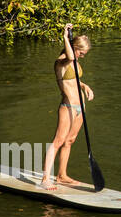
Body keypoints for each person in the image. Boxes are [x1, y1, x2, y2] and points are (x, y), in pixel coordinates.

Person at [40, 25, 93, 189]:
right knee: (58, 141)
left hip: (80, 107)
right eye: (81, 53)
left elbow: (73, 80)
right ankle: (45, 179)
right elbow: (69, 58)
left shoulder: (74, 61)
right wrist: (65, 36)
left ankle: (62, 175)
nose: (82, 56)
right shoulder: (61, 61)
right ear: (74, 48)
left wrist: (85, 86)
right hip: (68, 107)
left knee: (69, 141)